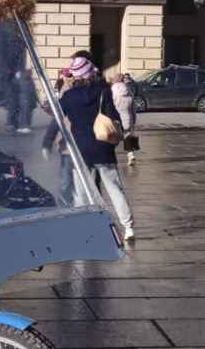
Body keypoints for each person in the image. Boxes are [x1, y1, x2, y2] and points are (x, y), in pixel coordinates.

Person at [59, 55, 134, 242]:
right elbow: (114, 115)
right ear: (90, 73)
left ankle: (83, 228)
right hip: (103, 147)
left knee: (83, 192)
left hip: (81, 150)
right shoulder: (103, 91)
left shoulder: (68, 96)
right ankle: (128, 227)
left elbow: (56, 113)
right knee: (115, 189)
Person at [41, 69, 76, 201]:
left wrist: (47, 143)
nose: (69, 78)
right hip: (69, 144)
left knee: (69, 178)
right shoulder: (65, 92)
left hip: (73, 143)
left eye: (70, 76)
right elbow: (56, 120)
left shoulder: (69, 91)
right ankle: (66, 202)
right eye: (67, 76)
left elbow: (56, 120)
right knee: (67, 178)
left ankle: (69, 202)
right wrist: (47, 142)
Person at [111, 73, 138, 164]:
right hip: (127, 117)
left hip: (116, 118)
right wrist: (134, 119)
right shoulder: (129, 91)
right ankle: (131, 155)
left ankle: (110, 155)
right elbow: (133, 108)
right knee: (127, 137)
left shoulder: (112, 91)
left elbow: (110, 105)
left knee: (113, 138)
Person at [15, 68, 38, 134]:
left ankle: (22, 126)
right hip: (26, 99)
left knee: (23, 113)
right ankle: (25, 127)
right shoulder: (27, 80)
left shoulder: (21, 79)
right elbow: (32, 90)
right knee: (26, 113)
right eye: (30, 72)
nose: (31, 74)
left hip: (23, 98)